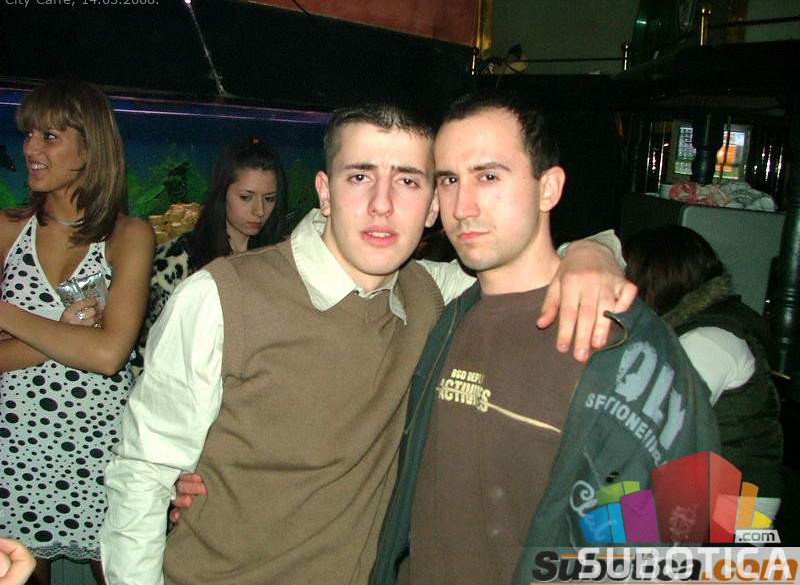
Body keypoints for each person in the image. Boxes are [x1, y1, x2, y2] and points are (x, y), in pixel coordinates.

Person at [100, 101, 633, 585]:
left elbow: (528, 264)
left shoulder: (434, 294)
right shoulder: (220, 298)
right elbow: (143, 473)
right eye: (360, 176)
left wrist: (593, 253)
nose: (382, 205)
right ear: (325, 192)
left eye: (408, 181)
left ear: (433, 207)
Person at [370, 90, 719, 585]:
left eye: (489, 176)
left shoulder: (625, 343)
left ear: (548, 188)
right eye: (449, 179)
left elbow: (683, 528)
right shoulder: (450, 318)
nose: (462, 206)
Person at [0, 81, 154, 584]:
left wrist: (7, 316)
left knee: (121, 573)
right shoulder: (6, 229)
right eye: (28, 134)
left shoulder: (129, 235)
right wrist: (64, 337)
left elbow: (109, 355)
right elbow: (90, 349)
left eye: (49, 137)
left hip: (100, 444)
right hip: (15, 441)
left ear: (90, 149)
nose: (31, 148)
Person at [623, 225, 782, 477]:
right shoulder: (684, 330)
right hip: (701, 481)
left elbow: (654, 427)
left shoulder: (708, 339)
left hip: (738, 492)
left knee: (599, 497)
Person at [131, 137, 288, 377]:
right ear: (222, 192)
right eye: (246, 197)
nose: (259, 210)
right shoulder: (179, 258)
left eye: (269, 198)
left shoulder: (283, 259)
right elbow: (147, 346)